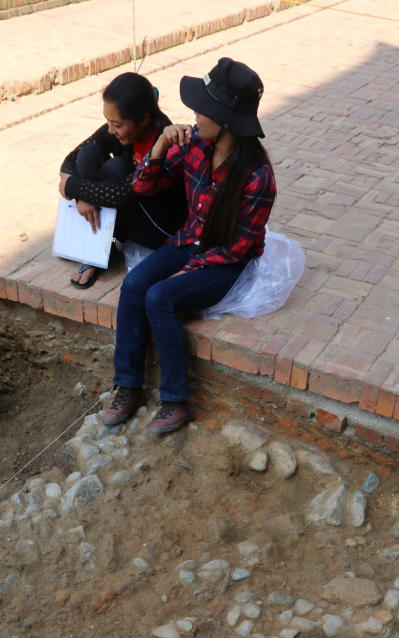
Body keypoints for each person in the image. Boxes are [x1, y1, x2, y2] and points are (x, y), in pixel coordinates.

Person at [102, 57, 277, 436]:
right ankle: (128, 386)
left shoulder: (258, 177)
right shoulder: (195, 143)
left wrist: (188, 270)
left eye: (202, 108)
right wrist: (161, 144)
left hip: (224, 261)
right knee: (134, 285)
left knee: (160, 297)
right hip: (187, 241)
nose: (195, 114)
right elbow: (142, 186)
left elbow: (238, 249)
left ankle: (176, 400)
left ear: (225, 118)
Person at [59, 72, 187, 289]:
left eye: (116, 124)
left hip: (159, 229)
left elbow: (125, 191)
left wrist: (73, 187)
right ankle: (96, 250)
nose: (110, 130)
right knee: (89, 152)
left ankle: (99, 248)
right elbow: (72, 158)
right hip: (127, 210)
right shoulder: (122, 128)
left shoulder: (168, 144)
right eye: (108, 121)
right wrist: (82, 197)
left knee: (116, 168)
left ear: (143, 119)